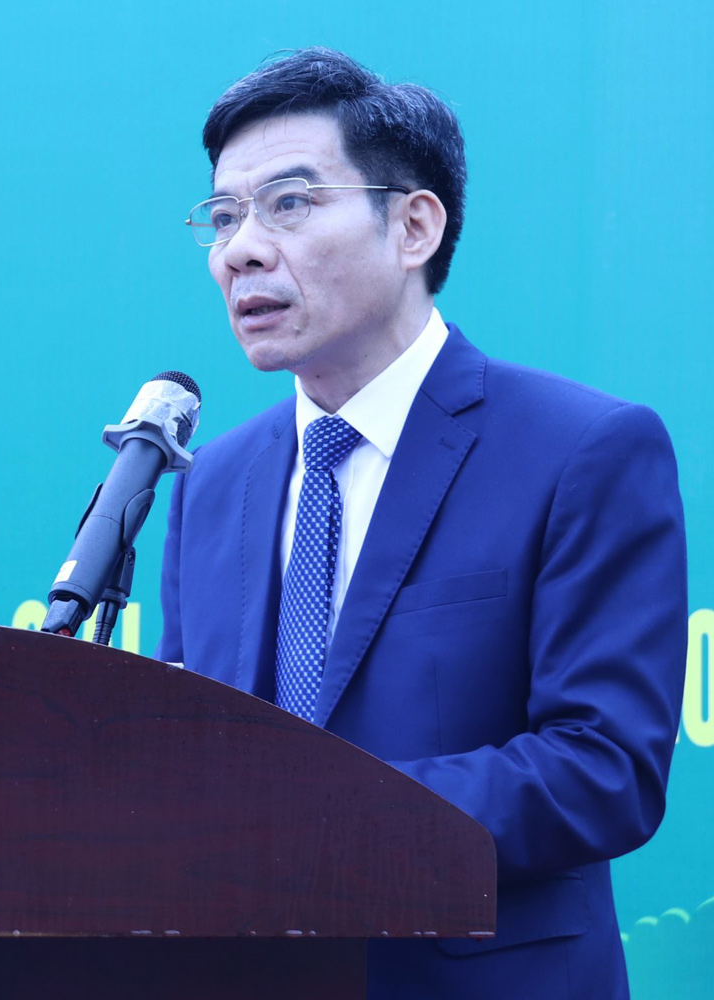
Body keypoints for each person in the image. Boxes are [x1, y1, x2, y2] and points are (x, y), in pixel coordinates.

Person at [156, 48, 688, 999]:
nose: (240, 251)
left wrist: (318, 818)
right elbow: (188, 752)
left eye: (288, 203)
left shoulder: (582, 451)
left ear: (413, 226)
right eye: (224, 217)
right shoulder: (212, 483)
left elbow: (603, 766)